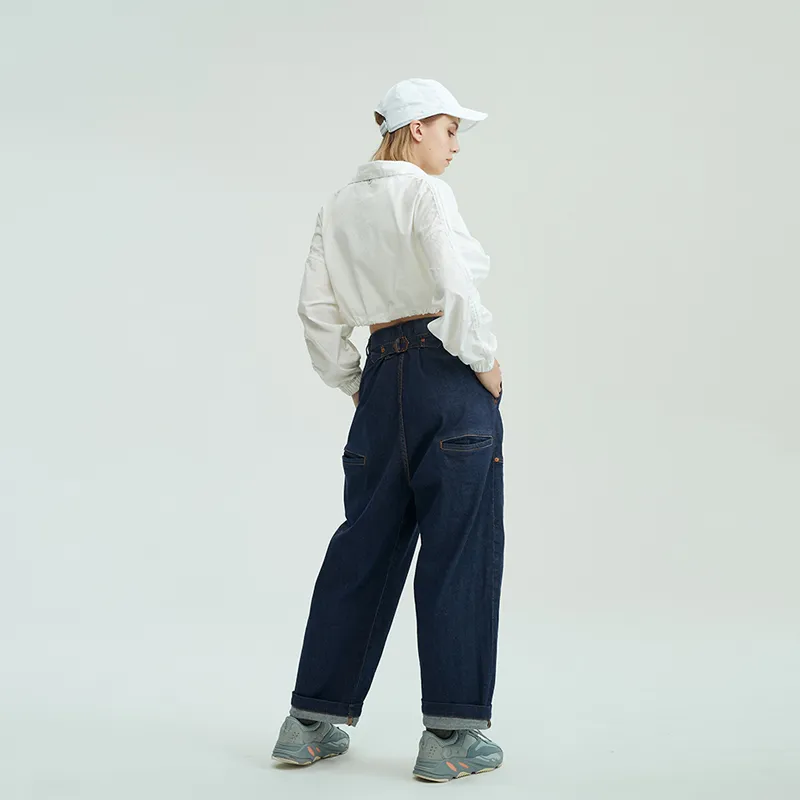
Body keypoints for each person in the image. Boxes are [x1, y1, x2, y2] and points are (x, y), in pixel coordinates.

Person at [270, 78, 505, 783]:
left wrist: (355, 381)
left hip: (380, 374)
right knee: (459, 550)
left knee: (362, 547)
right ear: (417, 127)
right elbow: (455, 285)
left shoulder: (338, 205)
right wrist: (484, 363)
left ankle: (309, 723)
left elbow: (316, 309)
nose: (456, 146)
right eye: (451, 130)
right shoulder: (426, 193)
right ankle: (451, 737)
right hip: (447, 372)